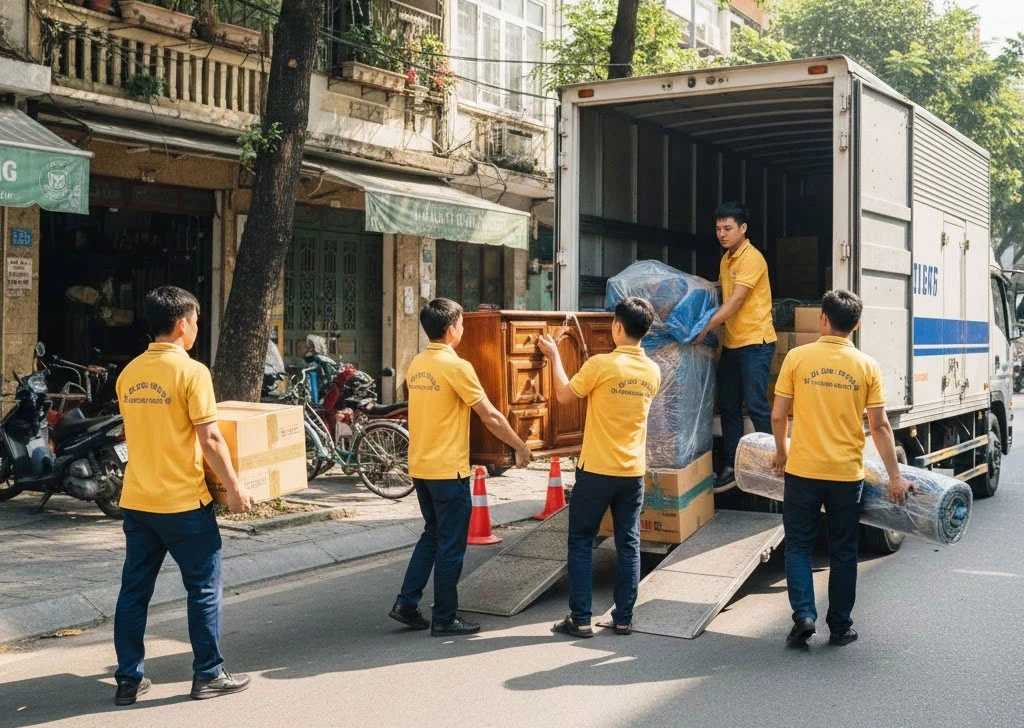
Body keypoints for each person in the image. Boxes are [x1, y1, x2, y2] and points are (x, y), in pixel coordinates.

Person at [113, 286, 255, 706]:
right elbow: (210, 437)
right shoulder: (192, 373)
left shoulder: (129, 373)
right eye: (195, 320)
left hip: (138, 501)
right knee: (203, 588)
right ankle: (209, 673)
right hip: (183, 505)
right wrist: (233, 489)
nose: (196, 327)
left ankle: (128, 679)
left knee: (134, 591)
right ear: (181, 324)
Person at [769, 289, 913, 648]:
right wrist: (895, 476)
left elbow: (778, 415)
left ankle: (804, 615)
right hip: (847, 475)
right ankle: (840, 626)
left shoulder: (798, 358)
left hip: (803, 470)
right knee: (844, 550)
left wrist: (781, 453)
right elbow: (879, 427)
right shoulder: (867, 366)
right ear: (858, 324)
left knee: (799, 546)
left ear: (822, 319)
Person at [389, 298, 533, 636]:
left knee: (432, 535)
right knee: (451, 545)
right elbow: (491, 417)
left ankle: (407, 604)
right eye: (463, 324)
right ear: (452, 329)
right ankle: (444, 617)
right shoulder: (457, 367)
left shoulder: (417, 363)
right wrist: (520, 446)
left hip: (420, 466)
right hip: (448, 470)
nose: (464, 330)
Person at [538, 297, 661, 638]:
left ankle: (580, 619)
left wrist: (554, 356)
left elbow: (564, 395)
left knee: (580, 540)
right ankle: (623, 618)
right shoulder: (653, 371)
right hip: (632, 471)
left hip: (596, 471)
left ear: (617, 326)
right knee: (628, 542)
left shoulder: (602, 365)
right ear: (646, 331)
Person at [695, 202, 777, 489]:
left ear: (743, 228)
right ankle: (732, 464)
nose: (722, 234)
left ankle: (770, 466)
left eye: (728, 228)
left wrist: (704, 326)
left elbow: (736, 301)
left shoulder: (752, 258)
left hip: (756, 343)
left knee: (756, 406)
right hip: (733, 344)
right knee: (728, 405)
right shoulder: (727, 259)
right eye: (718, 229)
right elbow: (720, 293)